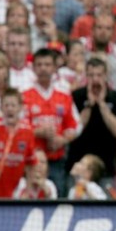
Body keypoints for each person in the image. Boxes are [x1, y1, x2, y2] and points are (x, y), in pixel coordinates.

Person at [22, 48, 81, 195]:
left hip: (56, 159)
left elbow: (76, 125)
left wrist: (62, 139)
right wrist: (37, 132)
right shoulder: (24, 95)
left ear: (55, 68)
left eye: (47, 64)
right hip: (31, 160)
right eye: (39, 64)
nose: (43, 68)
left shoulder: (64, 95)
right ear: (33, 68)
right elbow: (18, 128)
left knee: (57, 199)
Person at [67, 57, 116, 197]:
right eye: (91, 75)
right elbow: (75, 129)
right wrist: (89, 105)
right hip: (79, 165)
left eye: (99, 75)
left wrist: (102, 104)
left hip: (107, 167)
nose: (95, 79)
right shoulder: (76, 96)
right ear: (86, 76)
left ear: (105, 76)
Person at [0, 87, 37, 199]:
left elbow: (31, 163)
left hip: (14, 192)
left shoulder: (27, 130)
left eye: (13, 105)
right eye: (6, 105)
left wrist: (27, 191)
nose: (10, 109)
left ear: (20, 107)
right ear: (1, 107)